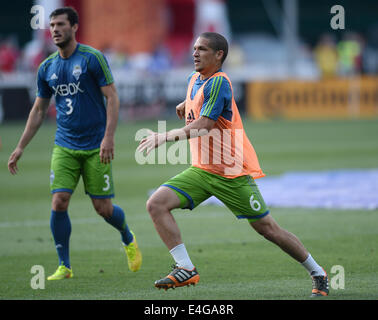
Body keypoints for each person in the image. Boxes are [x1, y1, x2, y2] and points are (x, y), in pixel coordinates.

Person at [138, 32, 328, 297]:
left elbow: (204, 126)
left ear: (219, 56)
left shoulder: (220, 82)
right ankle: (185, 268)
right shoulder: (195, 78)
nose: (195, 53)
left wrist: (164, 136)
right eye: (194, 48)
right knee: (156, 204)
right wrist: (186, 104)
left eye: (202, 49)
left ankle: (318, 272)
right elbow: (198, 102)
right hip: (202, 170)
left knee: (268, 229)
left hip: (231, 174)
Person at [8, 7, 142, 280]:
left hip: (95, 146)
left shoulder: (93, 59)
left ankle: (128, 237)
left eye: (60, 24)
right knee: (59, 201)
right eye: (52, 25)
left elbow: (112, 97)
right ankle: (64, 266)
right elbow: (38, 110)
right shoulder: (47, 67)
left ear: (74, 27)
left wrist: (108, 136)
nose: (55, 29)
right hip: (65, 144)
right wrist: (21, 146)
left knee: (103, 209)